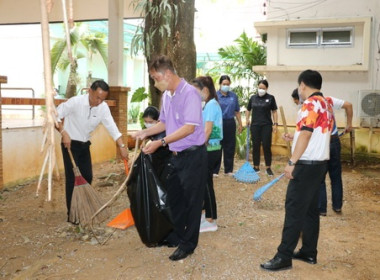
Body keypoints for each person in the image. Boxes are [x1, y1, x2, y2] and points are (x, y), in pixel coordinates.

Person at [133, 55, 207, 261]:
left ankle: (188, 245)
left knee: (192, 202)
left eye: (156, 78)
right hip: (176, 155)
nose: (155, 83)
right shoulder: (167, 95)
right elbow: (164, 122)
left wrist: (161, 142)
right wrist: (145, 133)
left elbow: (189, 127)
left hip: (193, 155)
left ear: (167, 74)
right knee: (174, 198)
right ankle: (178, 236)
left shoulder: (190, 94)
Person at [260, 70, 333, 271]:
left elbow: (308, 135)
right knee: (310, 210)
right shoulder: (325, 103)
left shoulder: (309, 103)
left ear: (302, 85)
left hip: (306, 165)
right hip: (319, 164)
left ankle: (283, 256)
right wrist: (296, 137)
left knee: (293, 209)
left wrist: (291, 162)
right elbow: (315, 132)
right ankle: (309, 252)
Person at [56, 80, 128, 222]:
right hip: (70, 144)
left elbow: (112, 127)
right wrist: (63, 132)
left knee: (87, 176)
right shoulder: (75, 102)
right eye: (97, 97)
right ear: (90, 91)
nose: (99, 101)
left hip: (84, 145)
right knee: (73, 179)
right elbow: (55, 115)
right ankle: (73, 215)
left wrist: (122, 146)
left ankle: (82, 206)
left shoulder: (103, 107)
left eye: (103, 99)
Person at [191, 76, 223, 233]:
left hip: (210, 150)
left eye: (196, 91)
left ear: (204, 90)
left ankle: (211, 219)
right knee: (204, 182)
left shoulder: (211, 105)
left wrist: (198, 148)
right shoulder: (210, 104)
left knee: (205, 183)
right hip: (212, 149)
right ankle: (206, 214)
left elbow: (208, 130)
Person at [319, 97, 353, 216]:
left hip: (320, 142)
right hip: (334, 141)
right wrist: (349, 124)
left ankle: (321, 209)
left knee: (319, 177)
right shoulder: (328, 100)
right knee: (336, 176)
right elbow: (349, 105)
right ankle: (337, 206)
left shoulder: (310, 104)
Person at [246, 79, 278, 176]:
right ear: (257, 87)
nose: (261, 90)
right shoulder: (253, 98)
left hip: (266, 125)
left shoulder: (271, 98)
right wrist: (247, 119)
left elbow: (274, 111)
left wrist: (275, 123)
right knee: (255, 146)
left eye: (263, 88)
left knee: (266, 146)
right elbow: (248, 109)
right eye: (260, 88)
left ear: (267, 88)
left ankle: (268, 167)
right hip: (255, 125)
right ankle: (256, 167)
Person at [215, 75, 243, 176]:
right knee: (217, 146)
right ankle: (215, 170)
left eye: (227, 84)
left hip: (230, 122)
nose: (226, 86)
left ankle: (228, 170)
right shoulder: (215, 95)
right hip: (218, 123)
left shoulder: (233, 96)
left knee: (230, 146)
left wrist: (240, 124)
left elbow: (237, 111)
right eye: (224, 84)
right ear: (220, 84)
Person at [142, 106, 171, 184]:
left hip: (164, 167)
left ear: (158, 121)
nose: (147, 124)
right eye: (145, 121)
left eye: (150, 122)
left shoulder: (162, 135)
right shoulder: (151, 134)